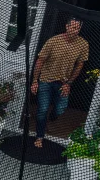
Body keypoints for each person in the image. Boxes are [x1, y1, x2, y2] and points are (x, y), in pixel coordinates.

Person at [30, 17, 89, 148]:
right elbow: (40, 60)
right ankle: (40, 136)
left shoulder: (83, 44)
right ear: (66, 27)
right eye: (73, 27)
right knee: (42, 109)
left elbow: (79, 65)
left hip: (63, 82)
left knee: (60, 109)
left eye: (78, 28)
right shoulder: (54, 41)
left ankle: (48, 121)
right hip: (46, 80)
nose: (75, 31)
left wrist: (69, 83)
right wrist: (35, 81)